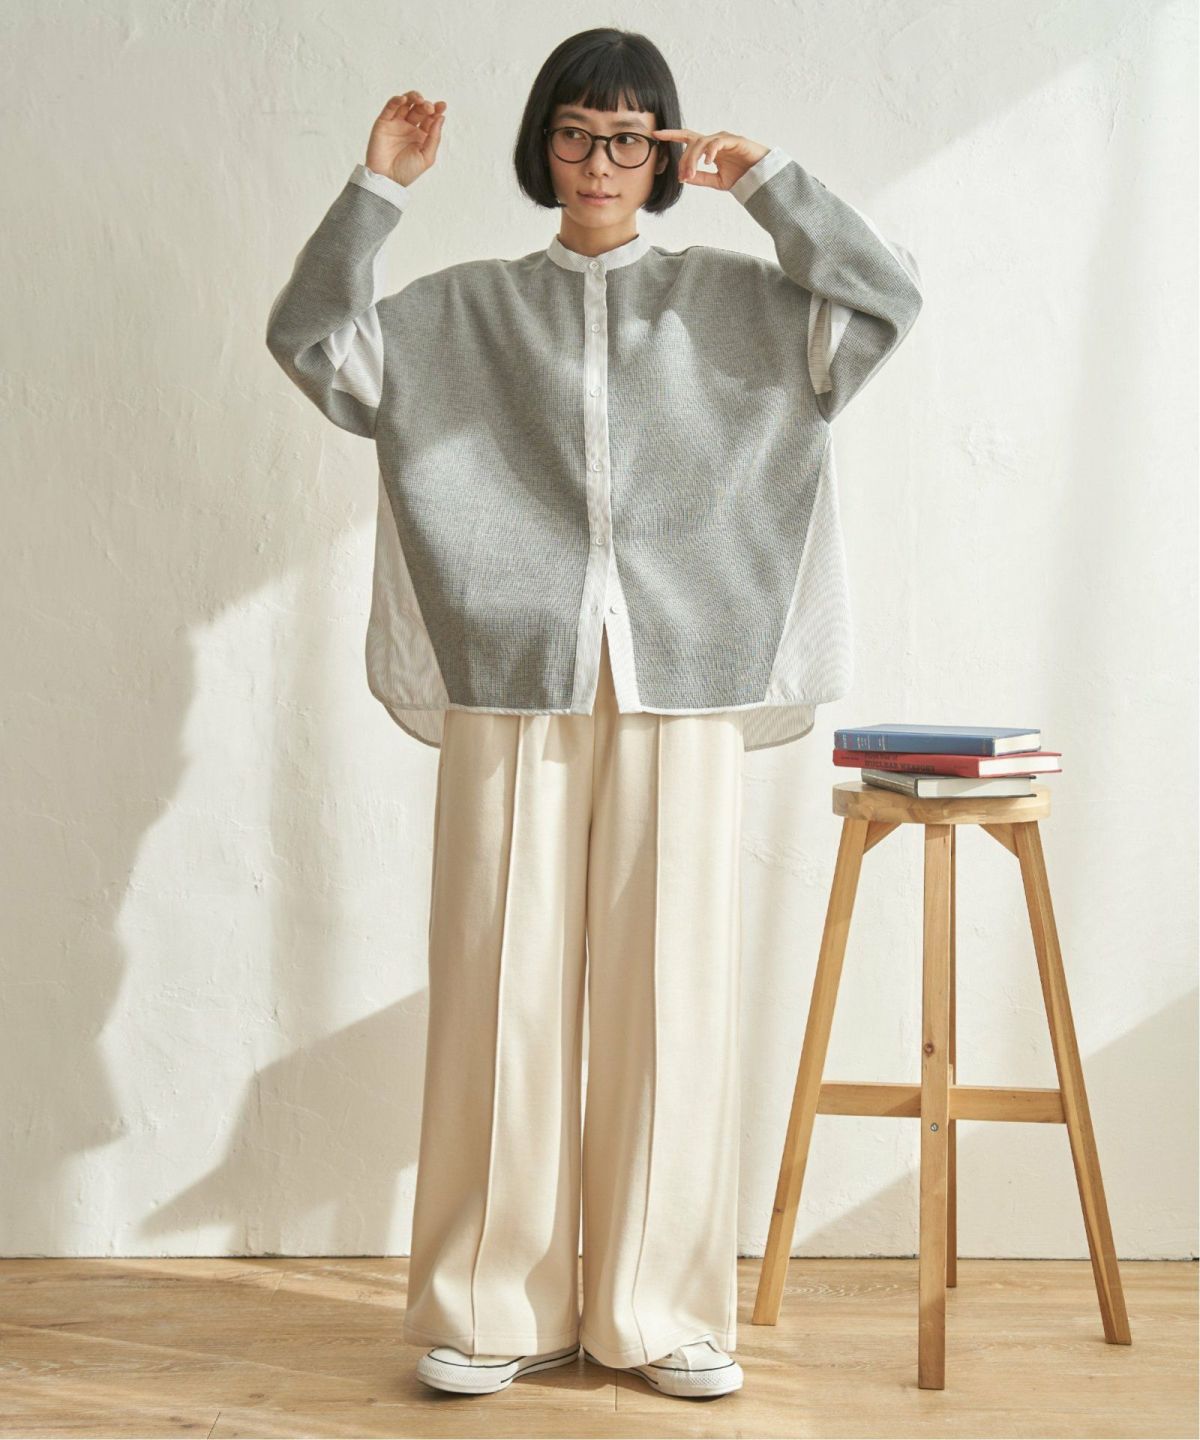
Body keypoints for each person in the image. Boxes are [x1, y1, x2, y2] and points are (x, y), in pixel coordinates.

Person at [265, 26, 922, 1403]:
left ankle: (661, 1312)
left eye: (631, 136)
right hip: (514, 675)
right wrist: (377, 189)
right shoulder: (461, 314)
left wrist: (770, 182)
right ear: (542, 145)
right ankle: (490, 1307)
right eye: (576, 132)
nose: (601, 161)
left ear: (664, 151)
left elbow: (885, 298)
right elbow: (313, 342)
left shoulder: (744, 304)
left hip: (685, 677)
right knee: (498, 985)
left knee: (674, 990)